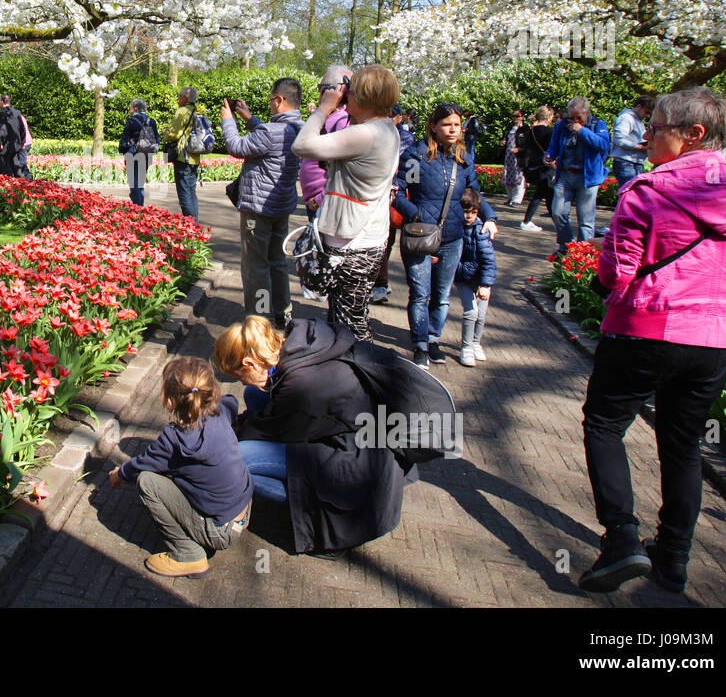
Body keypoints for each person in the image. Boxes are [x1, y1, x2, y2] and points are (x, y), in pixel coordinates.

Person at [579, 87, 726, 594]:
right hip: (715, 342)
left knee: (604, 424)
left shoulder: (647, 191)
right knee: (683, 447)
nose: (646, 138)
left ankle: (621, 540)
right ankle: (673, 558)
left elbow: (619, 272)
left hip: (646, 328)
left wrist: (598, 274)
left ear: (693, 135)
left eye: (655, 128)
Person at [215, 315, 412, 556]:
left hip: (353, 462)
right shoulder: (298, 346)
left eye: (238, 376)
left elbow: (272, 427)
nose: (242, 381)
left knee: (239, 458)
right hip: (355, 437)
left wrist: (228, 432)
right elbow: (275, 419)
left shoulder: (302, 384)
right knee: (255, 395)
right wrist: (240, 424)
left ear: (250, 363)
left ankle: (315, 514)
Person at [107, 356, 252, 578]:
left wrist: (120, 473)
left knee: (147, 481)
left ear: (170, 402)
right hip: (243, 508)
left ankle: (188, 555)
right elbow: (232, 401)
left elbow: (143, 463)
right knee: (178, 471)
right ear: (210, 392)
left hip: (219, 530)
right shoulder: (222, 409)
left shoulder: (173, 440)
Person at [291, 64, 401, 340]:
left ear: (363, 96)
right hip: (369, 238)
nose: (345, 95)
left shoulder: (366, 135)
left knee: (349, 328)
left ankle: (359, 376)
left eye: (349, 91)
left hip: (353, 246)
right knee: (349, 317)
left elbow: (301, 146)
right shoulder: (385, 129)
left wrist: (323, 108)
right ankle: (348, 373)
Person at [394, 102, 498, 370]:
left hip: (452, 238)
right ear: (434, 126)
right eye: (447, 124)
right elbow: (399, 190)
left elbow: (474, 191)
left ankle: (432, 338)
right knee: (420, 293)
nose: (453, 129)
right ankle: (419, 345)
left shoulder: (463, 159)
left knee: (441, 296)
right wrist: (415, 215)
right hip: (420, 235)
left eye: (456, 124)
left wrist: (491, 217)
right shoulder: (417, 156)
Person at [221, 78, 304, 330]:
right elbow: (270, 136)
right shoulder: (301, 127)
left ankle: (260, 318)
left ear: (279, 100)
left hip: (258, 208)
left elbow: (236, 146)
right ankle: (282, 311)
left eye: (271, 100)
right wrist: (249, 118)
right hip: (282, 205)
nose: (270, 105)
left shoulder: (270, 132)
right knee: (277, 261)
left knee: (256, 266)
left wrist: (229, 121)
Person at [544, 96, 610, 255]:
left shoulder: (597, 125)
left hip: (588, 178)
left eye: (578, 118)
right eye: (571, 117)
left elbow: (603, 146)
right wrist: (549, 155)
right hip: (566, 175)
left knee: (585, 220)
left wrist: (582, 131)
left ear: (587, 113)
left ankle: (582, 253)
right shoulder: (562, 126)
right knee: (558, 212)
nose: (573, 121)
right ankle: (566, 246)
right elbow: (553, 146)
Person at [371, 103, 415, 304]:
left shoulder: (406, 139)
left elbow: (408, 171)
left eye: (392, 116)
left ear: (399, 118)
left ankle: (381, 282)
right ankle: (379, 282)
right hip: (377, 193)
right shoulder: (377, 135)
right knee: (382, 240)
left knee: (388, 240)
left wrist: (398, 187)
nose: (388, 119)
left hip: (395, 196)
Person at [297, 65, 351, 220]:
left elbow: (343, 173)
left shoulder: (341, 121)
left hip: (324, 206)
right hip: (319, 203)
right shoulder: (331, 117)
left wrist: (319, 200)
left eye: (321, 87)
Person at [452, 187, 497, 367]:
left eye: (473, 212)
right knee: (471, 312)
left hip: (480, 280)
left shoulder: (480, 232)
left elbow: (489, 261)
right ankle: (466, 347)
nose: (469, 216)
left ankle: (476, 343)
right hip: (463, 278)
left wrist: (486, 284)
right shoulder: (455, 228)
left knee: (481, 314)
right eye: (465, 211)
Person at [162, 87, 202, 220]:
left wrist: (165, 134)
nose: (178, 98)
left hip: (182, 157)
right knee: (192, 193)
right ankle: (195, 224)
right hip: (194, 157)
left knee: (184, 196)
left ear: (185, 98)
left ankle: (191, 227)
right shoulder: (198, 111)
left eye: (180, 96)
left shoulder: (182, 111)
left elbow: (173, 134)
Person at [518, 106, 556, 232]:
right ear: (549, 117)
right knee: (540, 194)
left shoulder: (531, 131)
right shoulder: (549, 132)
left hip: (534, 165)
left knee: (548, 193)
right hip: (546, 166)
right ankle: (527, 221)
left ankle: (557, 220)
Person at [117, 97, 160, 206]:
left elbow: (124, 139)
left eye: (131, 108)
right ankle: (139, 205)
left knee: (133, 182)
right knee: (140, 182)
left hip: (133, 154)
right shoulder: (152, 121)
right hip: (146, 156)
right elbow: (157, 139)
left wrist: (122, 150)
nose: (130, 110)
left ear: (135, 109)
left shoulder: (131, 121)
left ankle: (137, 207)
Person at [609, 95, 655, 189]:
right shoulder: (626, 118)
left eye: (650, 114)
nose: (647, 116)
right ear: (639, 106)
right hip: (626, 162)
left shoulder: (639, 121)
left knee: (633, 194)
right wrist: (641, 147)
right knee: (628, 192)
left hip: (635, 162)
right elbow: (619, 140)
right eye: (646, 112)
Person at [0, 94, 27, 178]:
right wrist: (22, 142)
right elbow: (22, 128)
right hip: (16, 145)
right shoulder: (17, 112)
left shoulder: (3, 114)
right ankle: (20, 187)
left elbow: (1, 130)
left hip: (6, 146)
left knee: (4, 172)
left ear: (2, 102)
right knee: (17, 170)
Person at [500, 110, 525, 205]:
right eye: (513, 116)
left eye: (517, 116)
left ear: (522, 117)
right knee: (508, 176)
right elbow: (504, 137)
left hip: (518, 157)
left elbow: (527, 143)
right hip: (508, 156)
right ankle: (510, 198)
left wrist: (520, 149)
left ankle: (517, 199)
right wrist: (503, 141)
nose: (515, 118)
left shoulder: (525, 129)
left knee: (518, 177)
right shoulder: (509, 127)